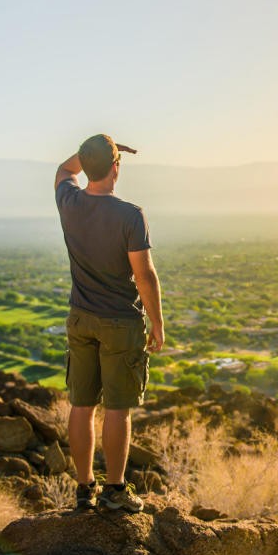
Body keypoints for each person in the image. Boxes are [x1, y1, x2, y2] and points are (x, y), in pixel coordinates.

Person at [54, 134, 164, 512]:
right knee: (118, 407)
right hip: (120, 321)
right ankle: (115, 491)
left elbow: (65, 169)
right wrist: (157, 322)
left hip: (80, 318)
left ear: (87, 166)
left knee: (82, 405)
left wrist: (94, 155)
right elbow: (144, 276)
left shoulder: (68, 201)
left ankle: (85, 489)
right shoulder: (130, 215)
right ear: (117, 167)